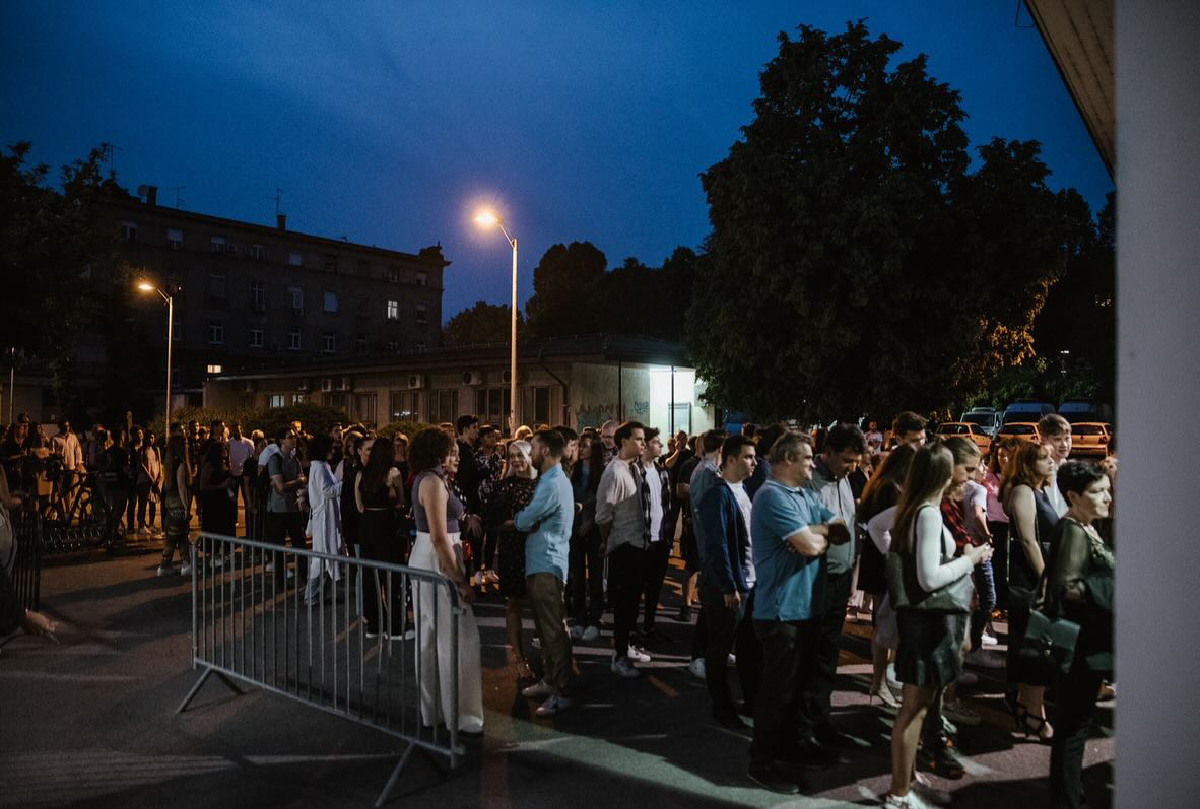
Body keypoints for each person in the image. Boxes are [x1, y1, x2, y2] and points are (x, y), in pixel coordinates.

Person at [884, 442, 992, 809]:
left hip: (921, 623)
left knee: (915, 707)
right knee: (913, 709)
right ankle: (898, 794)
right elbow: (929, 578)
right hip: (927, 625)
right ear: (943, 474)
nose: (968, 477)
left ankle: (906, 778)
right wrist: (971, 558)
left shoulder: (914, 509)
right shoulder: (928, 514)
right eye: (960, 471)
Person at [746, 432, 851, 794]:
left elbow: (840, 529)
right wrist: (815, 535)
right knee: (777, 693)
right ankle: (762, 763)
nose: (813, 464)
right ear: (788, 459)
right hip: (780, 612)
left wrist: (814, 533)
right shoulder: (771, 496)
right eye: (807, 459)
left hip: (806, 608)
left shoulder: (803, 494)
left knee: (800, 689)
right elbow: (809, 545)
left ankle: (793, 748)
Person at [1045, 461, 1114, 809]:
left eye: (1107, 489)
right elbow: (1066, 587)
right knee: (1072, 732)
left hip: (1087, 644)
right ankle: (1068, 801)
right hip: (1079, 646)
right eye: (1097, 491)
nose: (1107, 497)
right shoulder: (1073, 529)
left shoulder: (1084, 527)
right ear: (1073, 496)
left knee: (1075, 729)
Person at [409, 427, 484, 735]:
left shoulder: (427, 480)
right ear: (439, 454)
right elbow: (440, 538)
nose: (457, 457)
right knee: (456, 638)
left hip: (426, 556)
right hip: (437, 559)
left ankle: (436, 712)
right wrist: (461, 581)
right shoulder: (434, 483)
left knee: (429, 636)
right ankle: (460, 715)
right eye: (452, 451)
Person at [803, 421, 867, 749]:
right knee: (810, 652)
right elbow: (808, 531)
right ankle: (805, 723)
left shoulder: (845, 480)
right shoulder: (807, 480)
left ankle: (821, 717)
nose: (852, 468)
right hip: (815, 578)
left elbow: (846, 526)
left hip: (840, 578)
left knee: (829, 652)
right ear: (827, 452)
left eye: (856, 462)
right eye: (846, 460)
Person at [514, 428, 577, 716]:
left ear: (546, 452)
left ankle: (563, 690)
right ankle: (551, 680)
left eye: (534, 448)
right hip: (542, 561)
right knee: (545, 628)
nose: (530, 453)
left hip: (547, 563)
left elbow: (526, 519)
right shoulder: (552, 479)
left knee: (552, 631)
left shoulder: (552, 484)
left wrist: (519, 519)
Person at [698, 434, 760, 728]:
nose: (754, 462)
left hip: (748, 582)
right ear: (731, 459)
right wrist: (728, 585)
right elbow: (717, 543)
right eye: (748, 457)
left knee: (748, 647)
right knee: (720, 648)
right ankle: (721, 707)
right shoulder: (718, 494)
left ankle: (750, 700)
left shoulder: (742, 489)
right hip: (728, 586)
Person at [1003, 440, 1060, 741]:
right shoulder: (1024, 491)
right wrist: (1046, 580)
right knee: (1036, 647)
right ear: (1028, 463)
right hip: (1030, 582)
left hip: (1041, 577)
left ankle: (1028, 707)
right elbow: (1028, 541)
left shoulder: (1040, 490)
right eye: (1044, 458)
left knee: (1039, 646)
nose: (1051, 462)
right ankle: (1033, 712)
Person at [857, 443, 917, 708]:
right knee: (884, 625)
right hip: (884, 562)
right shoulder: (892, 489)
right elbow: (881, 527)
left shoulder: (881, 483)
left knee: (883, 624)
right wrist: (893, 555)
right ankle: (881, 680)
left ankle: (881, 680)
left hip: (878, 559)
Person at [595, 420, 651, 677]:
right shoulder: (614, 472)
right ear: (624, 441)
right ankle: (618, 656)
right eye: (638, 439)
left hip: (638, 543)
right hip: (623, 545)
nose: (643, 443)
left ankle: (625, 647)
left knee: (631, 603)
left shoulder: (635, 468)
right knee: (624, 604)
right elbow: (603, 515)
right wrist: (607, 541)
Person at [486, 439, 540, 679]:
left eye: (521, 455)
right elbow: (493, 521)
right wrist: (522, 524)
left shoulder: (544, 483)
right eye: (512, 455)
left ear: (531, 456)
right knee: (515, 603)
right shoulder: (505, 486)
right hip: (513, 551)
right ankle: (519, 658)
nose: (516, 460)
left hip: (540, 551)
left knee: (542, 605)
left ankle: (549, 655)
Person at [356, 437, 404, 638]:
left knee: (370, 576)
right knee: (391, 577)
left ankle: (374, 625)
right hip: (386, 526)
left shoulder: (361, 474)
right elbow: (401, 502)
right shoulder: (393, 473)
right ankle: (394, 628)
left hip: (367, 526)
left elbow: (358, 506)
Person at [569, 432, 605, 641]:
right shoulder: (573, 470)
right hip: (575, 527)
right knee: (577, 575)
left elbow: (601, 499)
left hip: (594, 528)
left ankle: (595, 618)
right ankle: (579, 617)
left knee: (596, 575)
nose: (581, 449)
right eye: (579, 446)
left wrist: (590, 521)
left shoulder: (600, 472)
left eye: (585, 446)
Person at [639, 427, 673, 639]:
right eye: (656, 442)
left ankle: (649, 624)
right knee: (636, 587)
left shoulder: (662, 472)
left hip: (661, 538)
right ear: (645, 445)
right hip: (642, 538)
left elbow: (666, 507)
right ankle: (631, 630)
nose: (660, 446)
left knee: (655, 586)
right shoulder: (635, 471)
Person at [304, 434, 343, 606]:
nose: (333, 451)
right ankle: (311, 596)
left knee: (325, 556)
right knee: (321, 557)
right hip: (324, 518)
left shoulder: (321, 466)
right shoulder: (319, 467)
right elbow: (327, 490)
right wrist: (345, 484)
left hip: (326, 517)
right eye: (331, 448)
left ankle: (320, 595)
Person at [266, 427, 307, 584]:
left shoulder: (294, 460)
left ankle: (304, 575)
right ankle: (280, 579)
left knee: (300, 543)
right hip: (278, 509)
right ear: (282, 441)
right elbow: (281, 486)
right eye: (290, 437)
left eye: (294, 436)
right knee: (279, 545)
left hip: (293, 507)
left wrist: (297, 484)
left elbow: (297, 483)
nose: (294, 439)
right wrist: (299, 482)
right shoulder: (275, 459)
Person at [157, 434, 193, 576]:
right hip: (178, 504)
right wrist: (186, 506)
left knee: (181, 535)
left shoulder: (169, 463)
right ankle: (164, 565)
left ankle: (186, 564)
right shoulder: (181, 463)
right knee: (173, 538)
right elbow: (181, 486)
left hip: (169, 503)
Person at [198, 441, 237, 538]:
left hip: (225, 502)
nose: (226, 451)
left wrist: (231, 483)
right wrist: (221, 486)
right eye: (223, 449)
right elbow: (203, 485)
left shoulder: (225, 464)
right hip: (213, 502)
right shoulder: (209, 465)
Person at [1039, 414, 1073, 518]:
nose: (1064, 445)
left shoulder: (1067, 466)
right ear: (1044, 440)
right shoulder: (1044, 470)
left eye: (1067, 438)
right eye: (1057, 439)